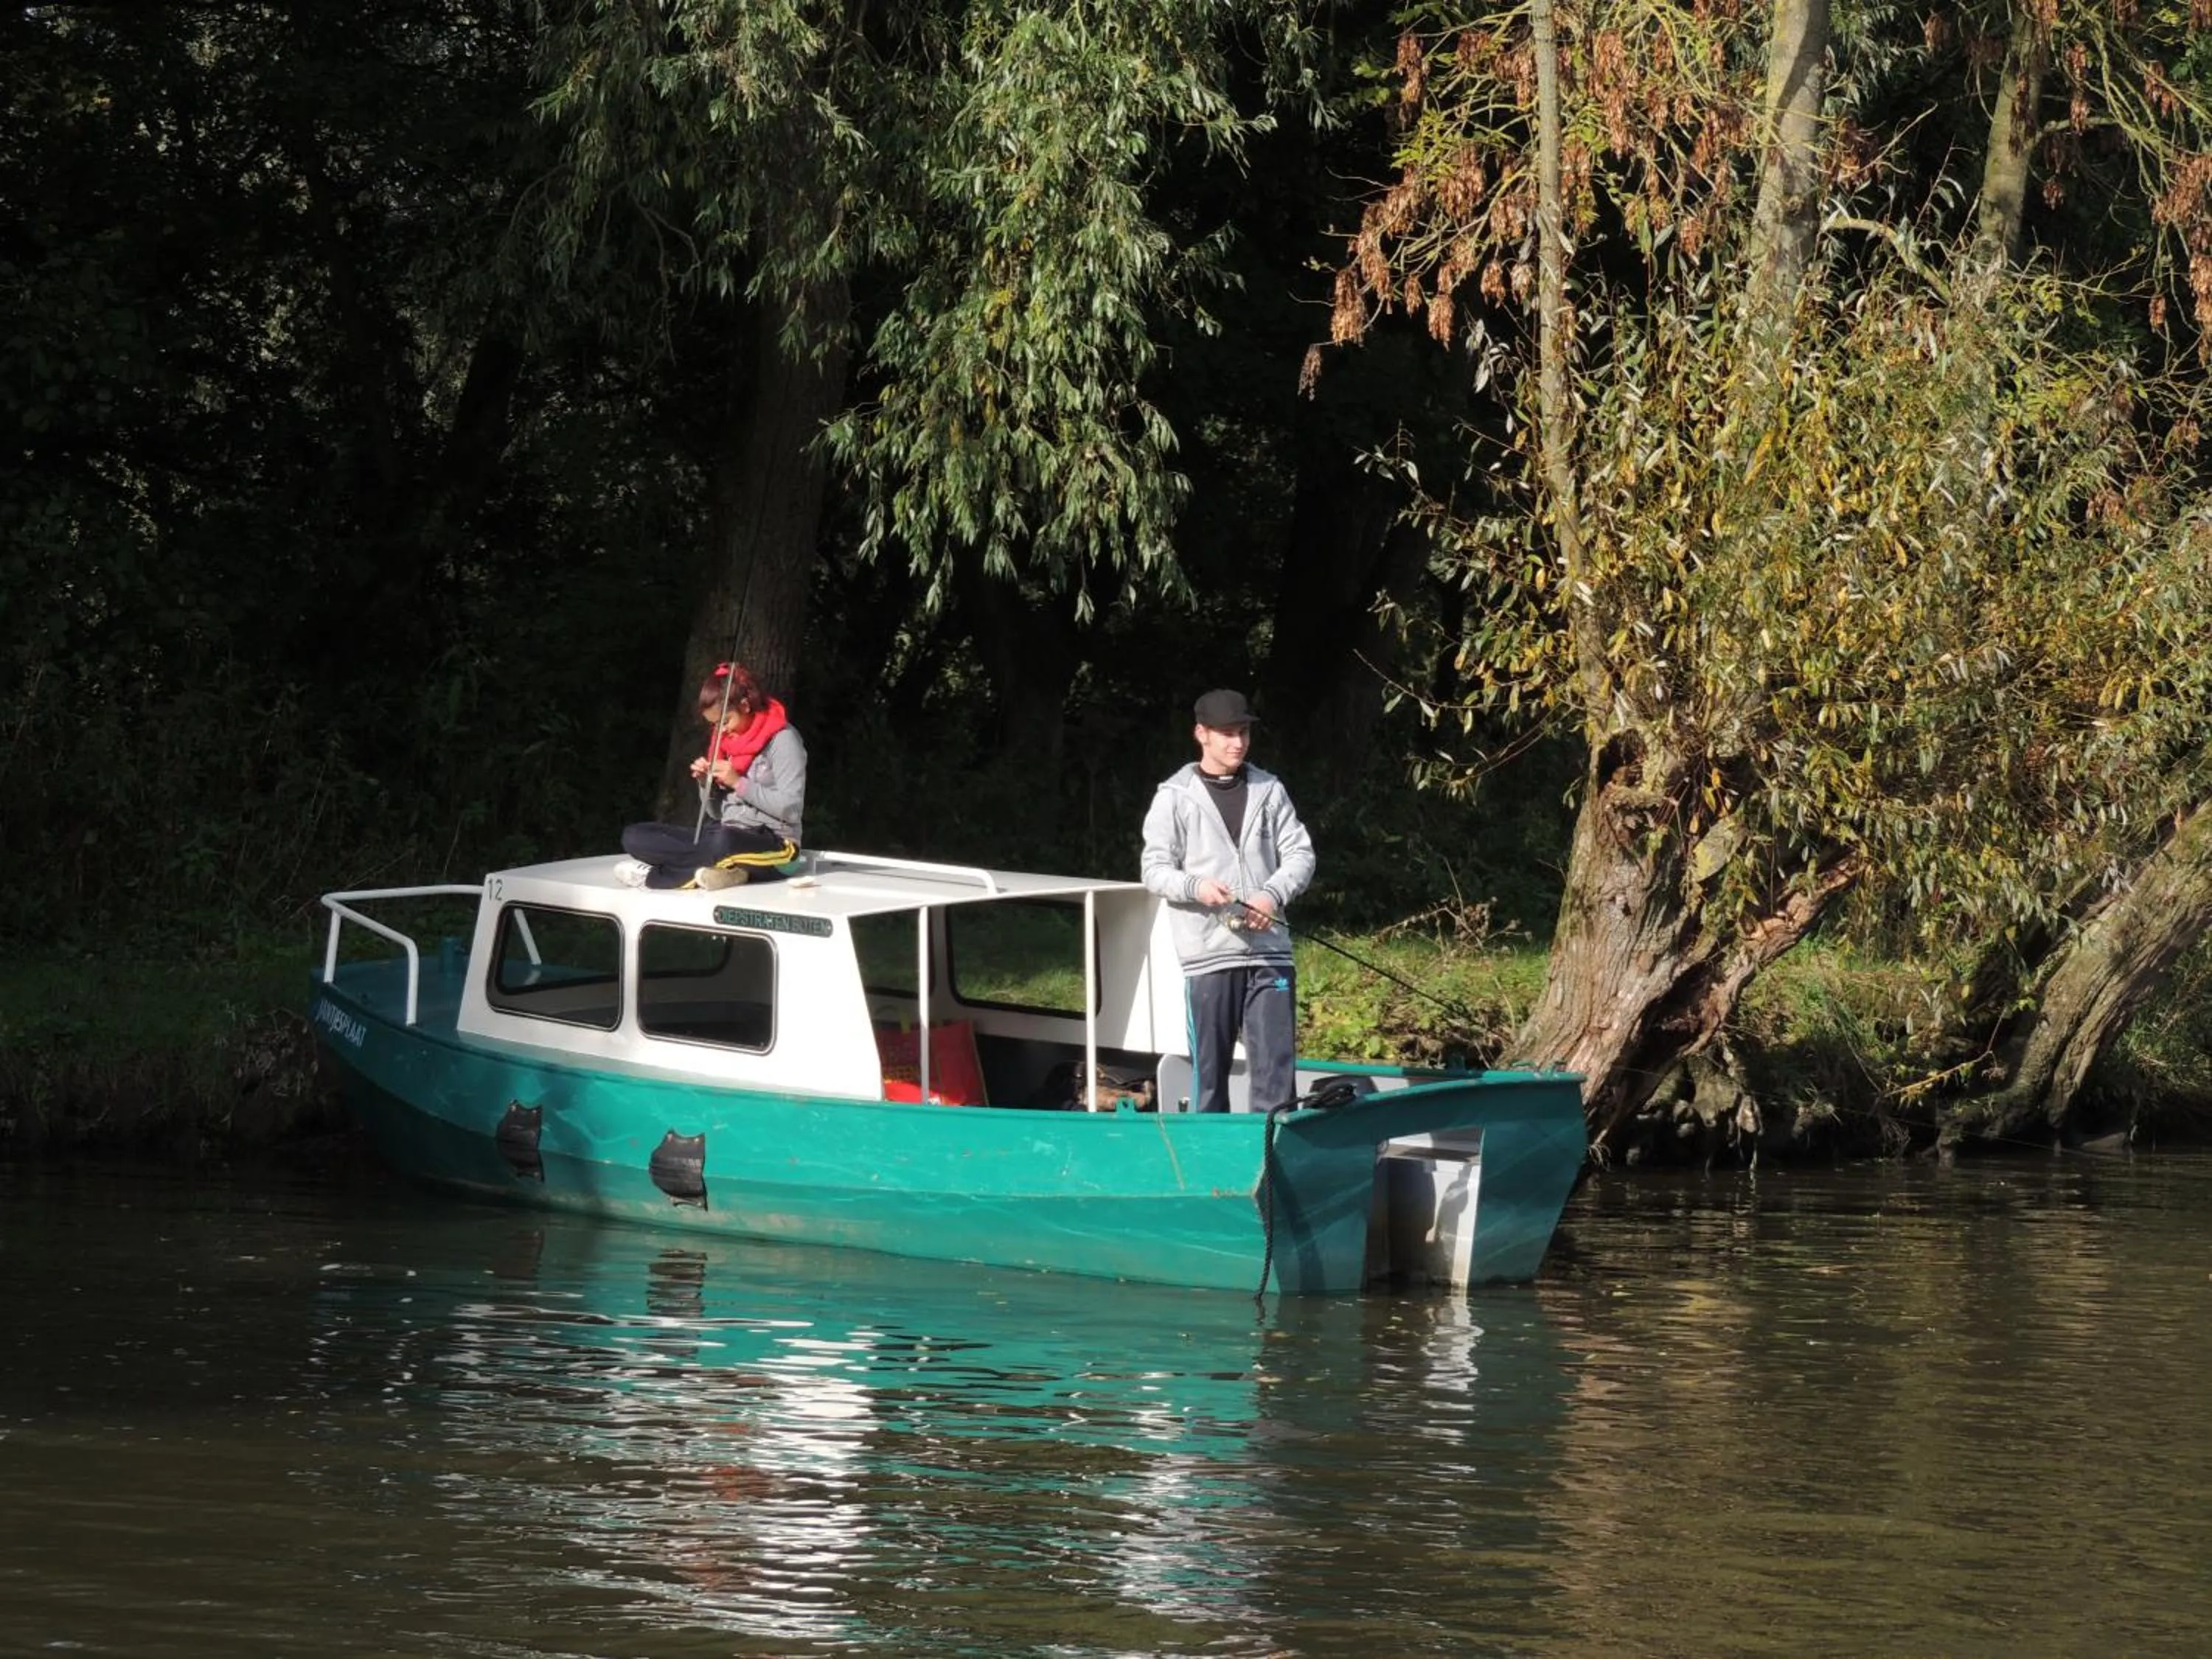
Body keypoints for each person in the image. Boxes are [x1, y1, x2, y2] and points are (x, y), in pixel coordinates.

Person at [1139, 688, 1315, 1113]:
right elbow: (1154, 870)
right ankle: (1211, 1169)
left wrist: (1271, 895)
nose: (1238, 743)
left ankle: (1273, 1167)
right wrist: (1196, 887)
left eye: (1243, 733)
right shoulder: (1174, 796)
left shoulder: (1270, 790)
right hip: (1208, 958)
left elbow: (1301, 854)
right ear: (1201, 734)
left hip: (1271, 952)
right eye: (1227, 734)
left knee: (1277, 1078)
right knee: (1210, 1081)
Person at [615, 663, 807, 891]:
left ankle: (653, 877)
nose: (721, 731)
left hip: (777, 846)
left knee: (722, 842)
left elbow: (792, 810)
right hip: (724, 833)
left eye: (725, 722)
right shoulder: (725, 743)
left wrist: (738, 782)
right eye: (715, 725)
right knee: (635, 836)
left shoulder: (784, 740)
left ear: (745, 705)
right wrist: (705, 784)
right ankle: (726, 872)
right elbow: (716, 812)